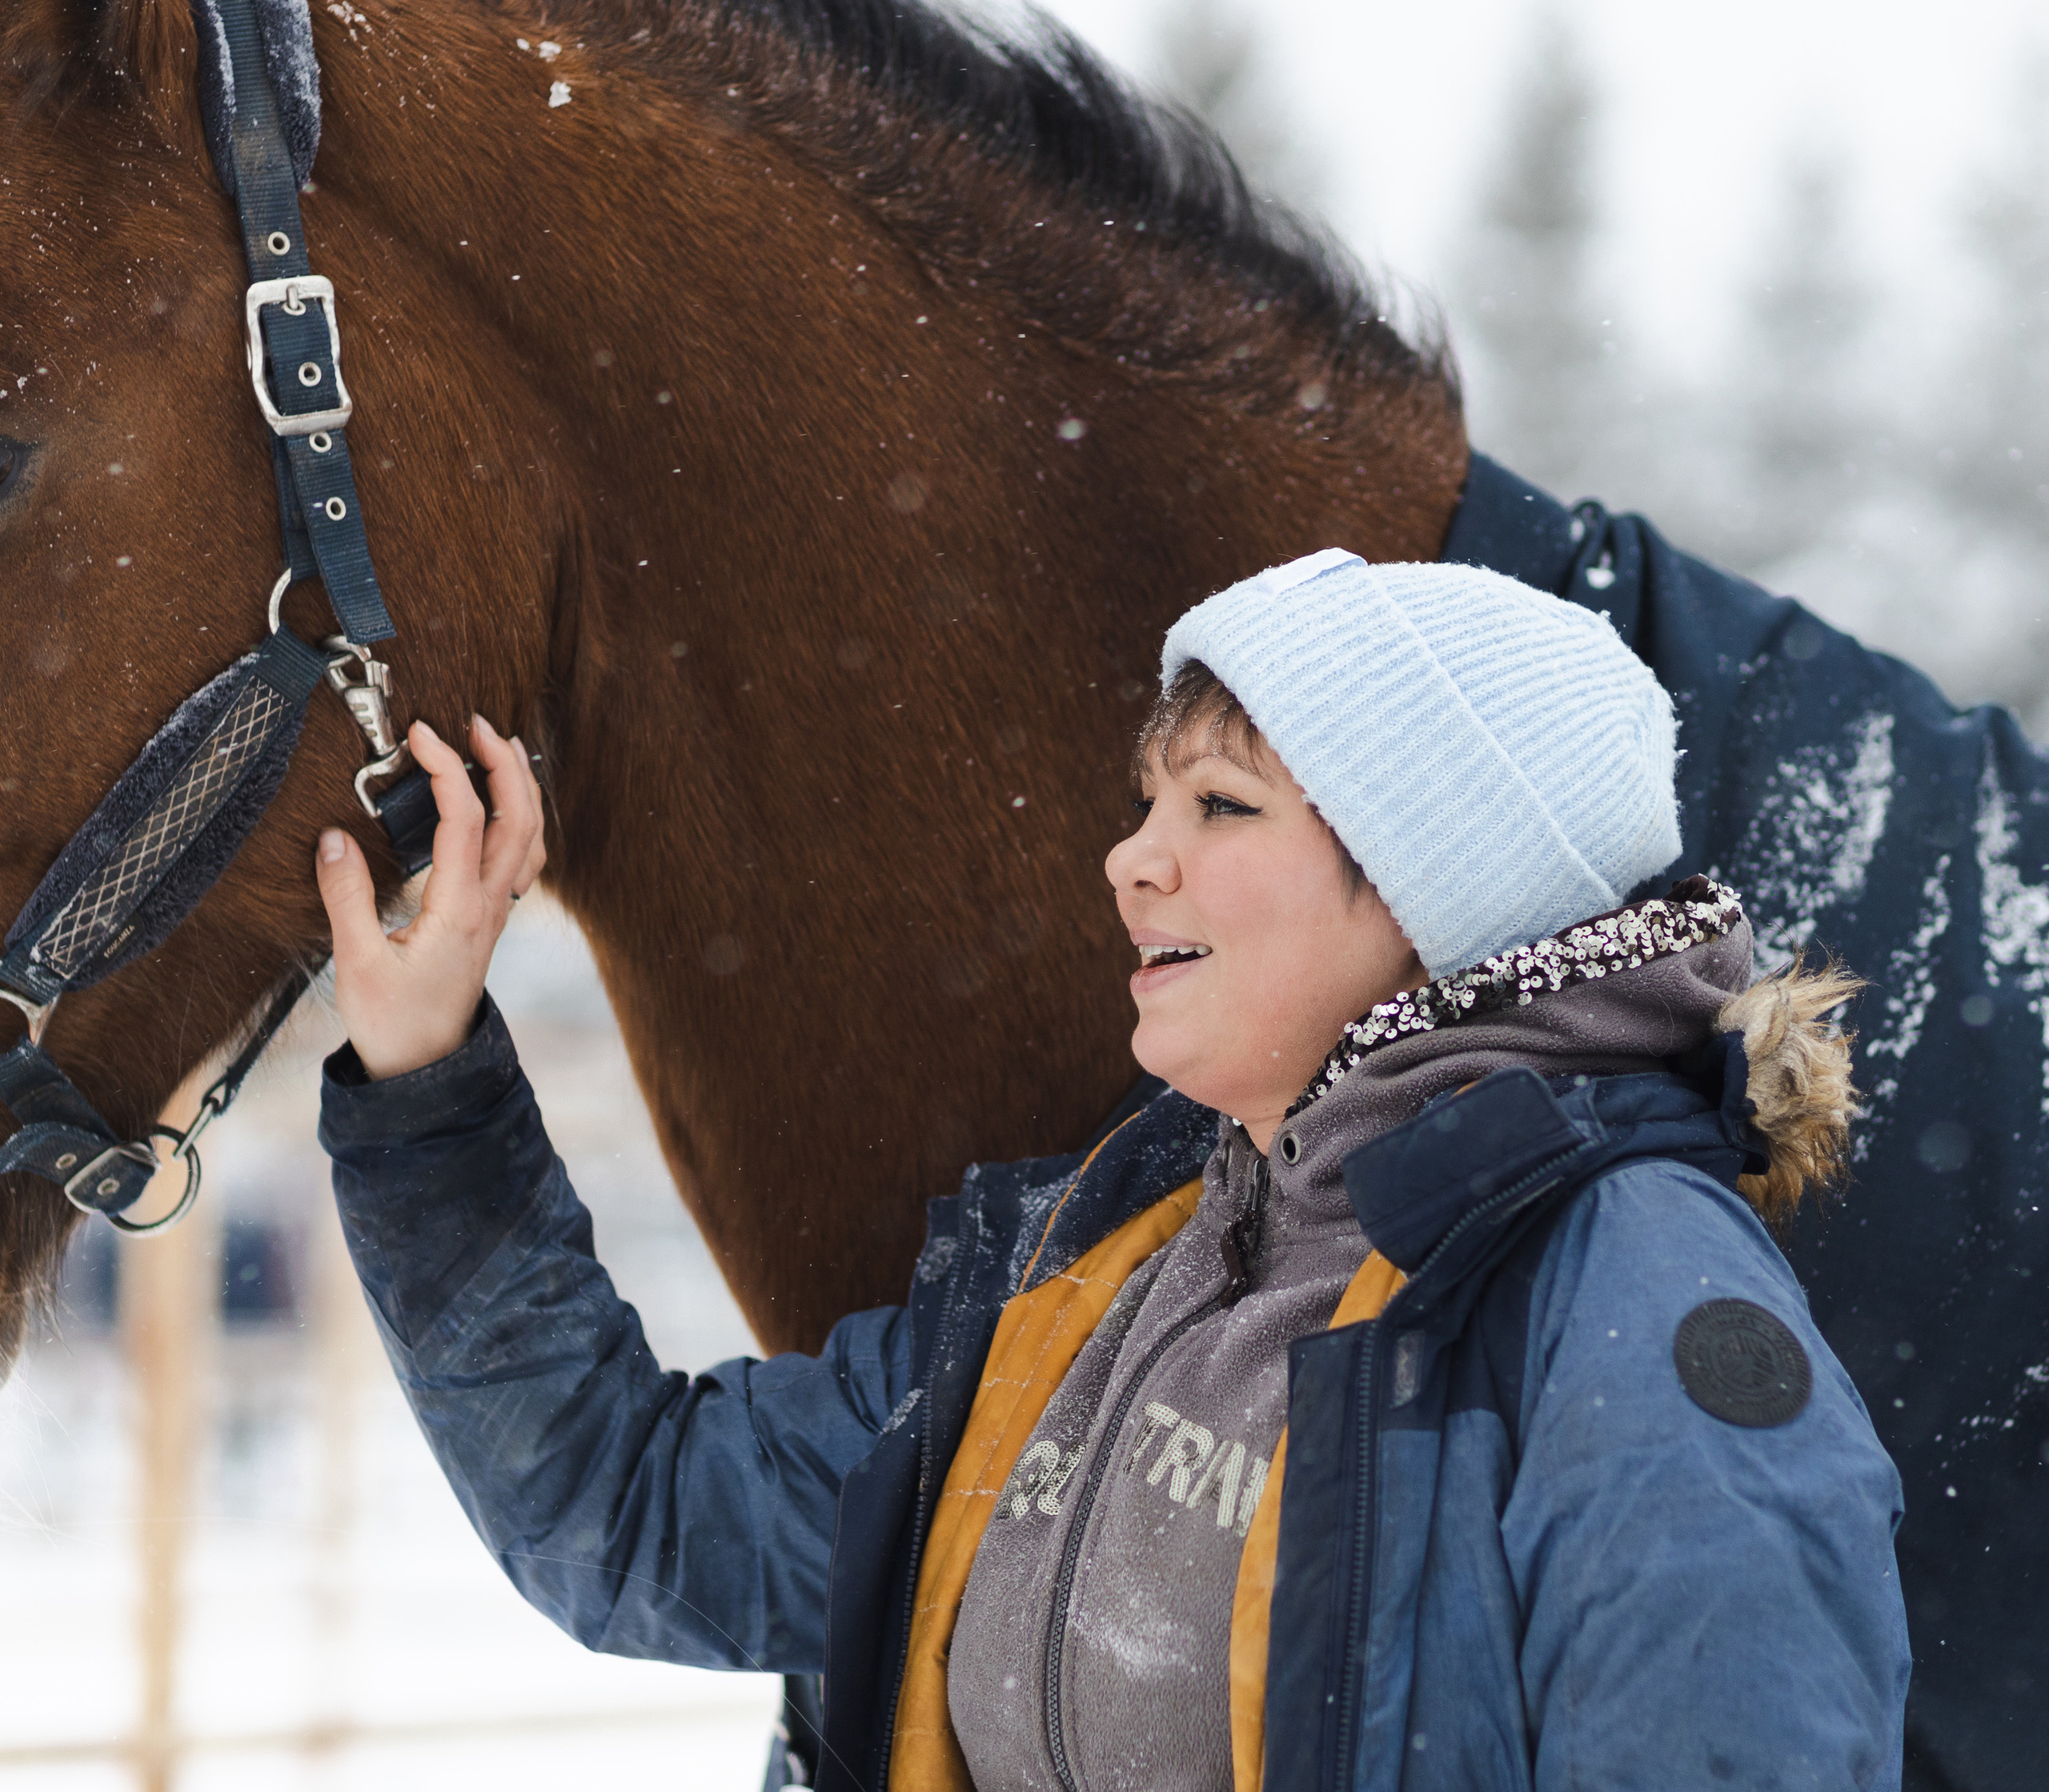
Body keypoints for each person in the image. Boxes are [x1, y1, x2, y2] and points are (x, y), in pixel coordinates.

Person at [314, 550, 1911, 1792]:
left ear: (1445, 879)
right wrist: (424, 1070)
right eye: (1148, 797)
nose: (1129, 853)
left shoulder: (1629, 1304)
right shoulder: (1106, 1260)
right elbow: (633, 1515)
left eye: (1218, 803)